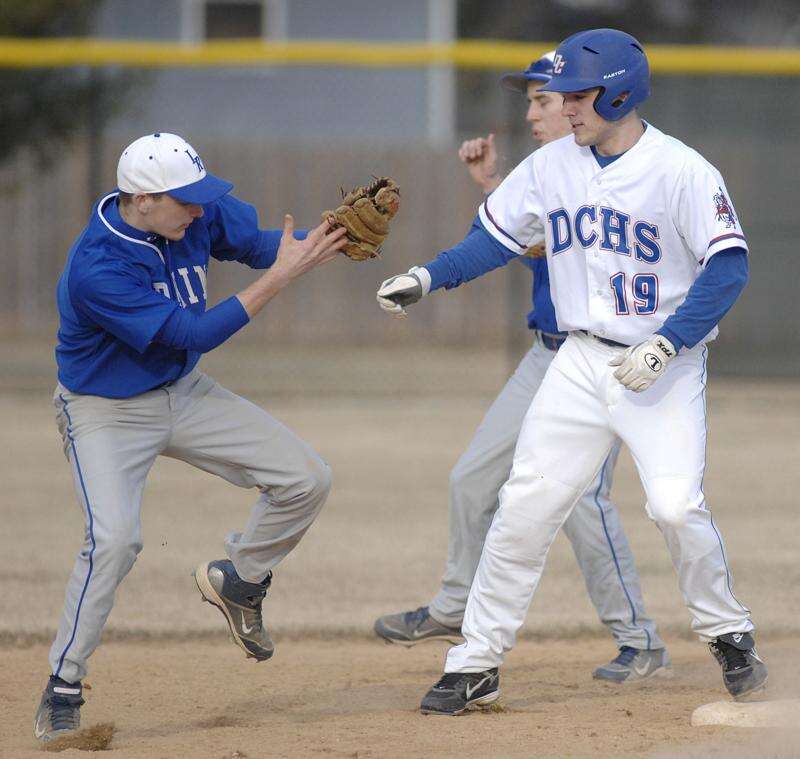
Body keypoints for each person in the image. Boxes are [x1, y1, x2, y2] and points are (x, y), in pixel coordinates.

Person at [377, 29, 767, 716]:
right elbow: (493, 240)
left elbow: (728, 267)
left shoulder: (682, 170)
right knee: (525, 505)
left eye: (577, 96)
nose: (564, 107)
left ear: (618, 93)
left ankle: (727, 631)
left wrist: (668, 343)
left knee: (675, 506)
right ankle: (475, 662)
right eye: (561, 96)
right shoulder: (553, 165)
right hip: (580, 360)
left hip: (663, 365)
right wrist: (428, 276)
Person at [34, 132, 348, 741]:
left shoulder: (192, 212)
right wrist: (285, 276)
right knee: (115, 541)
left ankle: (241, 581)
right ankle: (63, 685)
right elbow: (194, 333)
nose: (199, 210)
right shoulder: (98, 266)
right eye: (185, 201)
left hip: (182, 390)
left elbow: (262, 246)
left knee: (306, 478)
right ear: (143, 200)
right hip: (105, 409)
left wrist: (329, 238)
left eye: (201, 197)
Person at [374, 52, 671, 683]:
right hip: (545, 355)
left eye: (545, 100)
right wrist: (496, 190)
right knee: (471, 479)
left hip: (609, 363)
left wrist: (495, 190)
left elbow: (565, 249)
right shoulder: (549, 174)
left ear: (583, 103)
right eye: (532, 102)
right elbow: (521, 245)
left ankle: (640, 641)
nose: (534, 114)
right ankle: (455, 607)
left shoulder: (625, 174)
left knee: (584, 502)